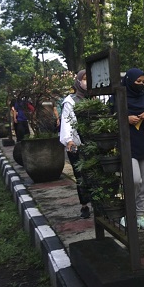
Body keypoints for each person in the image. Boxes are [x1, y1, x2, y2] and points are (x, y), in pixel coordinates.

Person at [120, 68, 144, 231]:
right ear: (129, 80)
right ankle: (128, 213)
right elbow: (109, 120)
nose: (141, 84)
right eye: (138, 81)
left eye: (143, 82)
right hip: (127, 146)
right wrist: (125, 118)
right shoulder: (118, 98)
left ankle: (140, 214)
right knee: (134, 180)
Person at [59, 69, 91, 219]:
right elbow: (67, 121)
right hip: (77, 145)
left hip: (93, 143)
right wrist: (69, 140)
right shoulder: (70, 101)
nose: (86, 82)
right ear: (78, 81)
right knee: (81, 176)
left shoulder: (96, 97)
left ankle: (99, 202)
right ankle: (84, 205)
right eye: (84, 79)